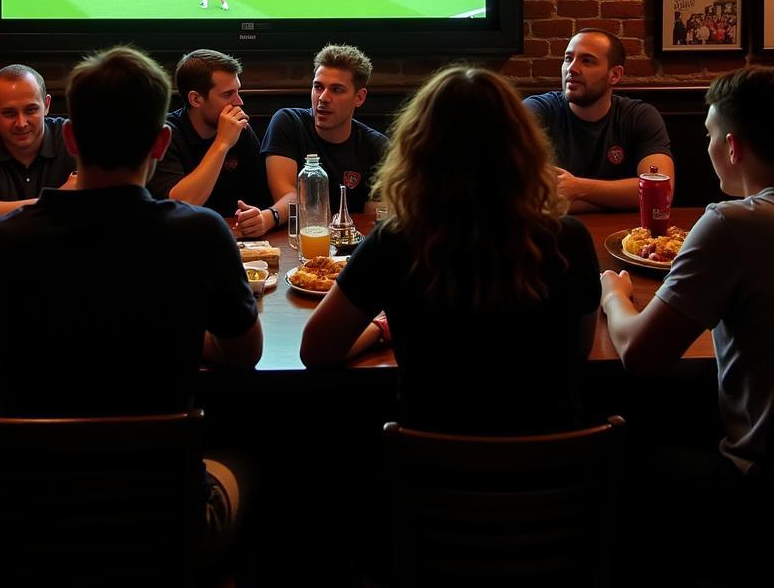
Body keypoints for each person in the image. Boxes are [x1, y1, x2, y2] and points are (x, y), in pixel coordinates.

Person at [0, 47, 262, 556]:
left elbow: (0, 351)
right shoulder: (199, 233)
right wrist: (185, 332)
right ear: (162, 141)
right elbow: (243, 355)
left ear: (69, 137)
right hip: (166, 526)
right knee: (259, 459)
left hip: (30, 524)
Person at [300, 66, 600, 435]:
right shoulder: (568, 238)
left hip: (428, 478)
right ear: (521, 146)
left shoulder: (396, 239)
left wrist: (381, 329)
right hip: (558, 476)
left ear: (419, 147)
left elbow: (316, 351)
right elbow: (579, 349)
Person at [600, 66, 774, 580]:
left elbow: (641, 356)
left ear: (734, 147)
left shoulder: (732, 223)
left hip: (754, 479)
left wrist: (614, 295)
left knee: (619, 456)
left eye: (710, 136)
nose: (709, 147)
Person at [524, 28, 674, 211]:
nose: (572, 68)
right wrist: (612, 200)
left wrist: (577, 188)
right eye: (568, 59)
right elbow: (521, 194)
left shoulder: (639, 116)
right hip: (552, 233)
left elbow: (660, 192)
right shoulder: (536, 111)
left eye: (587, 61)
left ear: (615, 75)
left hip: (624, 237)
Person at [148, 49, 272, 235]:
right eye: (227, 94)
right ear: (196, 99)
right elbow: (178, 207)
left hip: (233, 240)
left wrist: (257, 216)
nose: (239, 102)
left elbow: (263, 197)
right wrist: (222, 143)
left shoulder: (241, 131)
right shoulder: (166, 134)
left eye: (238, 91)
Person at [261, 43, 387, 217]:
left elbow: (377, 216)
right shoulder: (288, 122)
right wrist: (268, 218)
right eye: (318, 87)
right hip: (298, 238)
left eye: (336, 90)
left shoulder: (376, 145)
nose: (323, 98)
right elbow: (289, 202)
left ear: (359, 97)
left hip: (354, 241)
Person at [0, 64, 76, 234]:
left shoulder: (73, 136)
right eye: (9, 113)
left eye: (31, 110)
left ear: (46, 105)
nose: (21, 123)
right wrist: (54, 202)